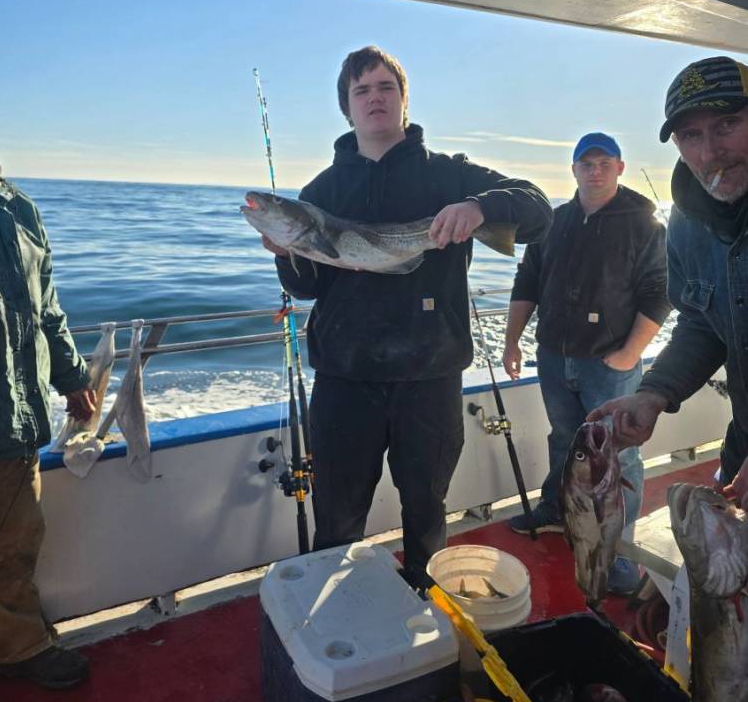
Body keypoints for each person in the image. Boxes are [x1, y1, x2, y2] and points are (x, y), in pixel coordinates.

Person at [260, 45, 552, 587]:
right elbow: (307, 289)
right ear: (347, 107)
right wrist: (287, 255)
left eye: (384, 88)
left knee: (426, 509)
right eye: (361, 90)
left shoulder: (448, 175)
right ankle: (339, 619)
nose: (374, 98)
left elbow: (537, 206)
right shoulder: (320, 192)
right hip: (345, 380)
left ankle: (427, 609)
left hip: (430, 377)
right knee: (338, 516)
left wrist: (481, 208)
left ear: (403, 102)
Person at [501, 132, 669, 594]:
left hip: (609, 363)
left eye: (603, 163)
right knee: (564, 441)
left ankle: (616, 556)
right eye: (585, 163)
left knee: (618, 459)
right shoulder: (553, 221)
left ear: (619, 167)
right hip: (554, 357)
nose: (594, 170)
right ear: (573, 169)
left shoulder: (644, 221)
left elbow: (661, 290)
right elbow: (527, 280)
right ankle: (557, 512)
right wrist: (513, 342)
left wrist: (628, 355)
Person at [589, 56, 748, 511]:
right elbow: (700, 322)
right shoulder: (686, 222)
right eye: (690, 135)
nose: (708, 153)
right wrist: (653, 393)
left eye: (727, 124)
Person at [0, 167, 95, 688]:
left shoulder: (20, 208)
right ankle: (20, 648)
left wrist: (73, 375)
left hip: (12, 415)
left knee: (18, 536)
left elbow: (47, 308)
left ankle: (19, 640)